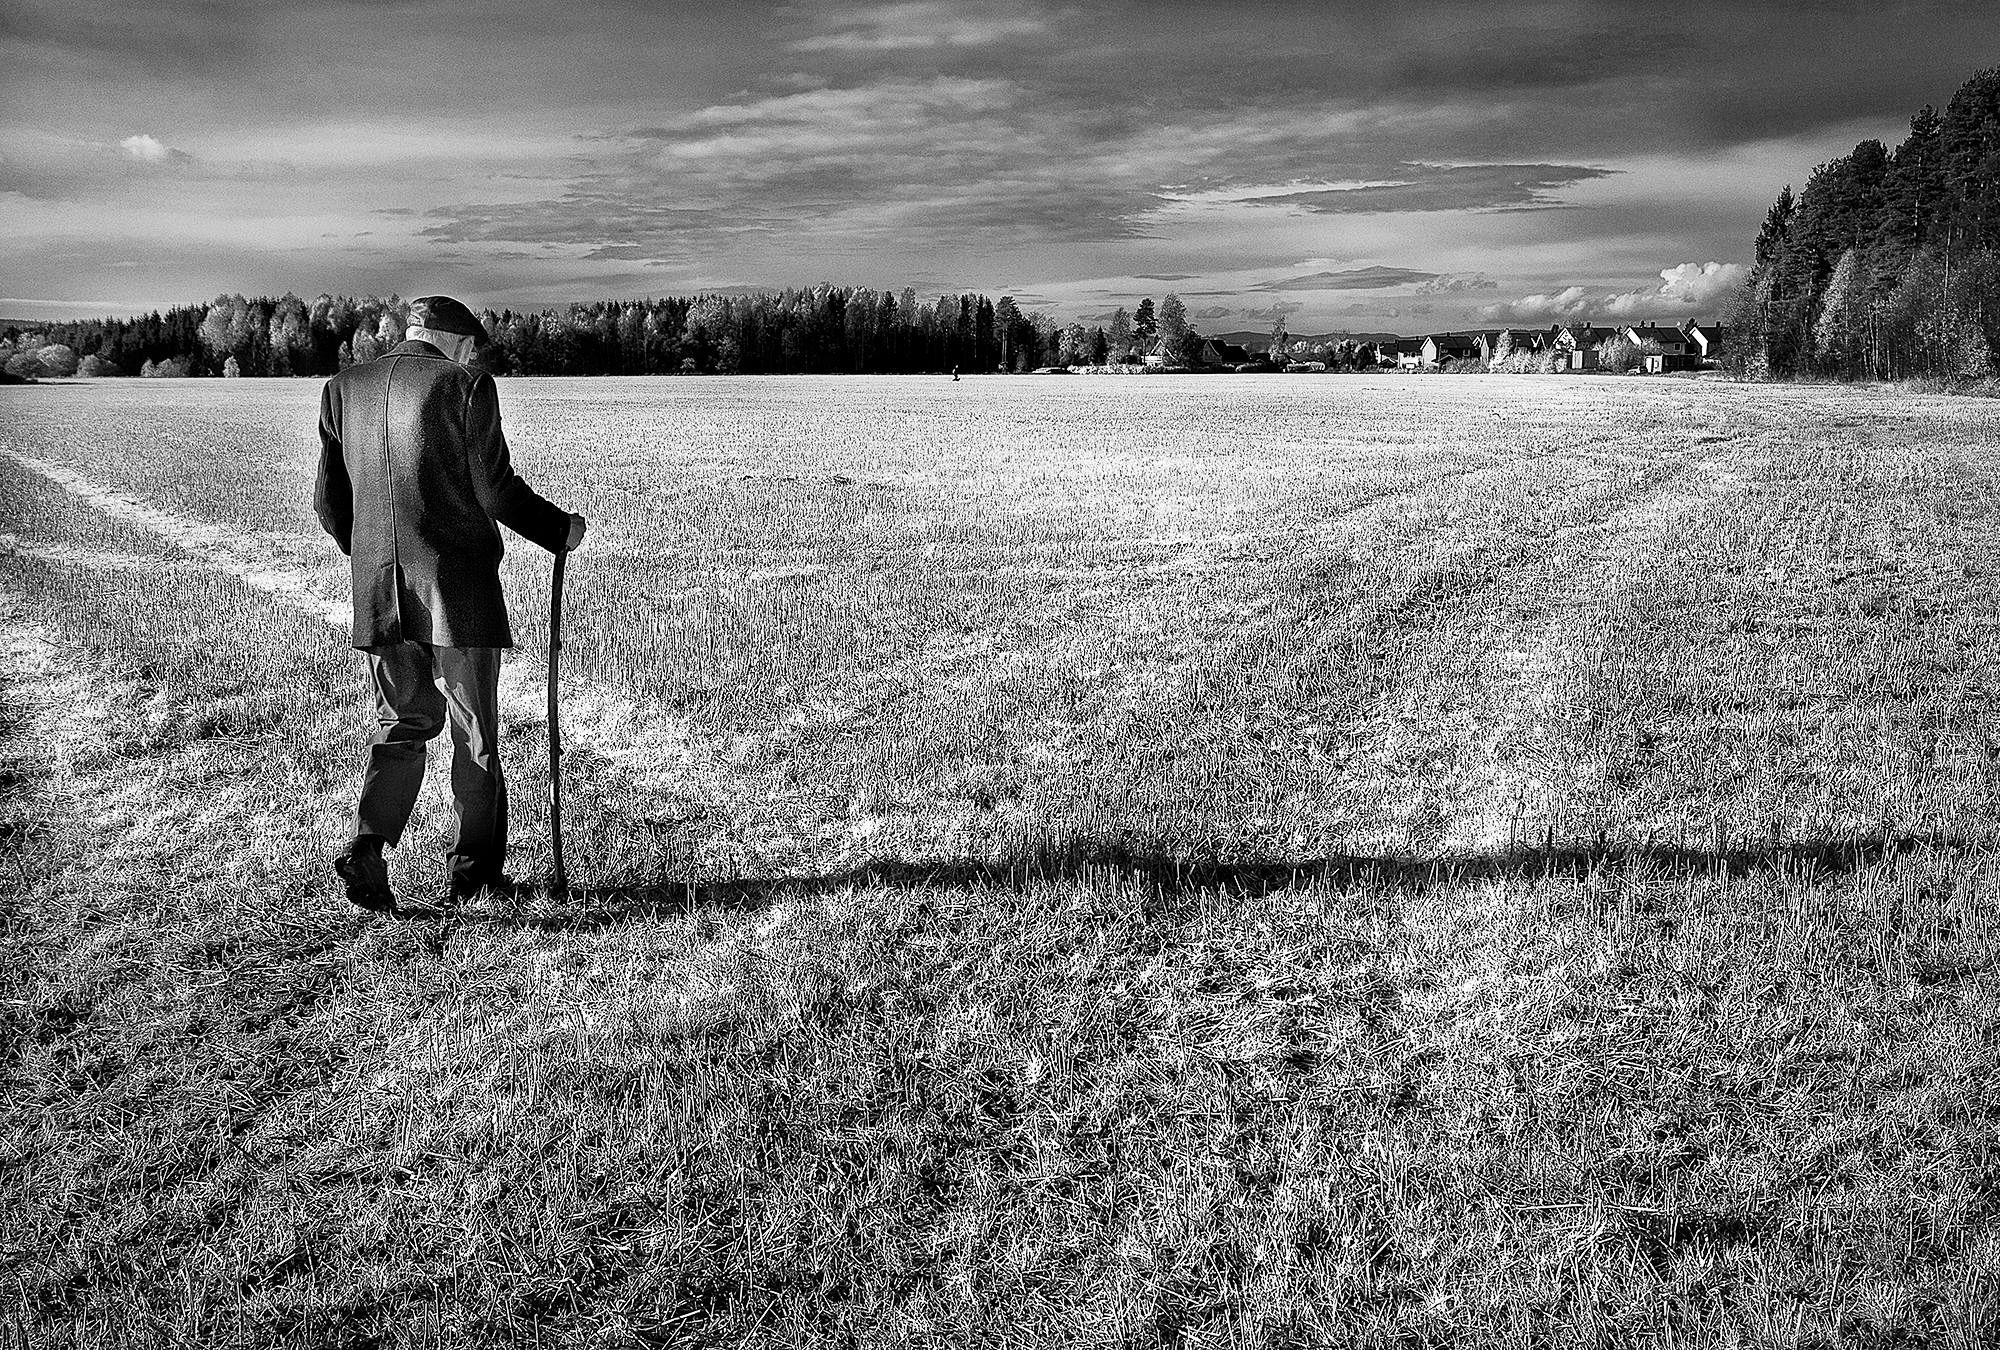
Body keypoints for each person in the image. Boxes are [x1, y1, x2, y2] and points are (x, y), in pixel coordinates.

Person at [314, 295, 586, 912]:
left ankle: (367, 846)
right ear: (457, 342)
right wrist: (558, 529)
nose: (472, 357)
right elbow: (495, 489)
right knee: (474, 731)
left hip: (378, 589)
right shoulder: (466, 386)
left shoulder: (342, 388)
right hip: (457, 589)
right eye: (470, 347)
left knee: (401, 721)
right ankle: (476, 874)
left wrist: (370, 557)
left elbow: (331, 506)